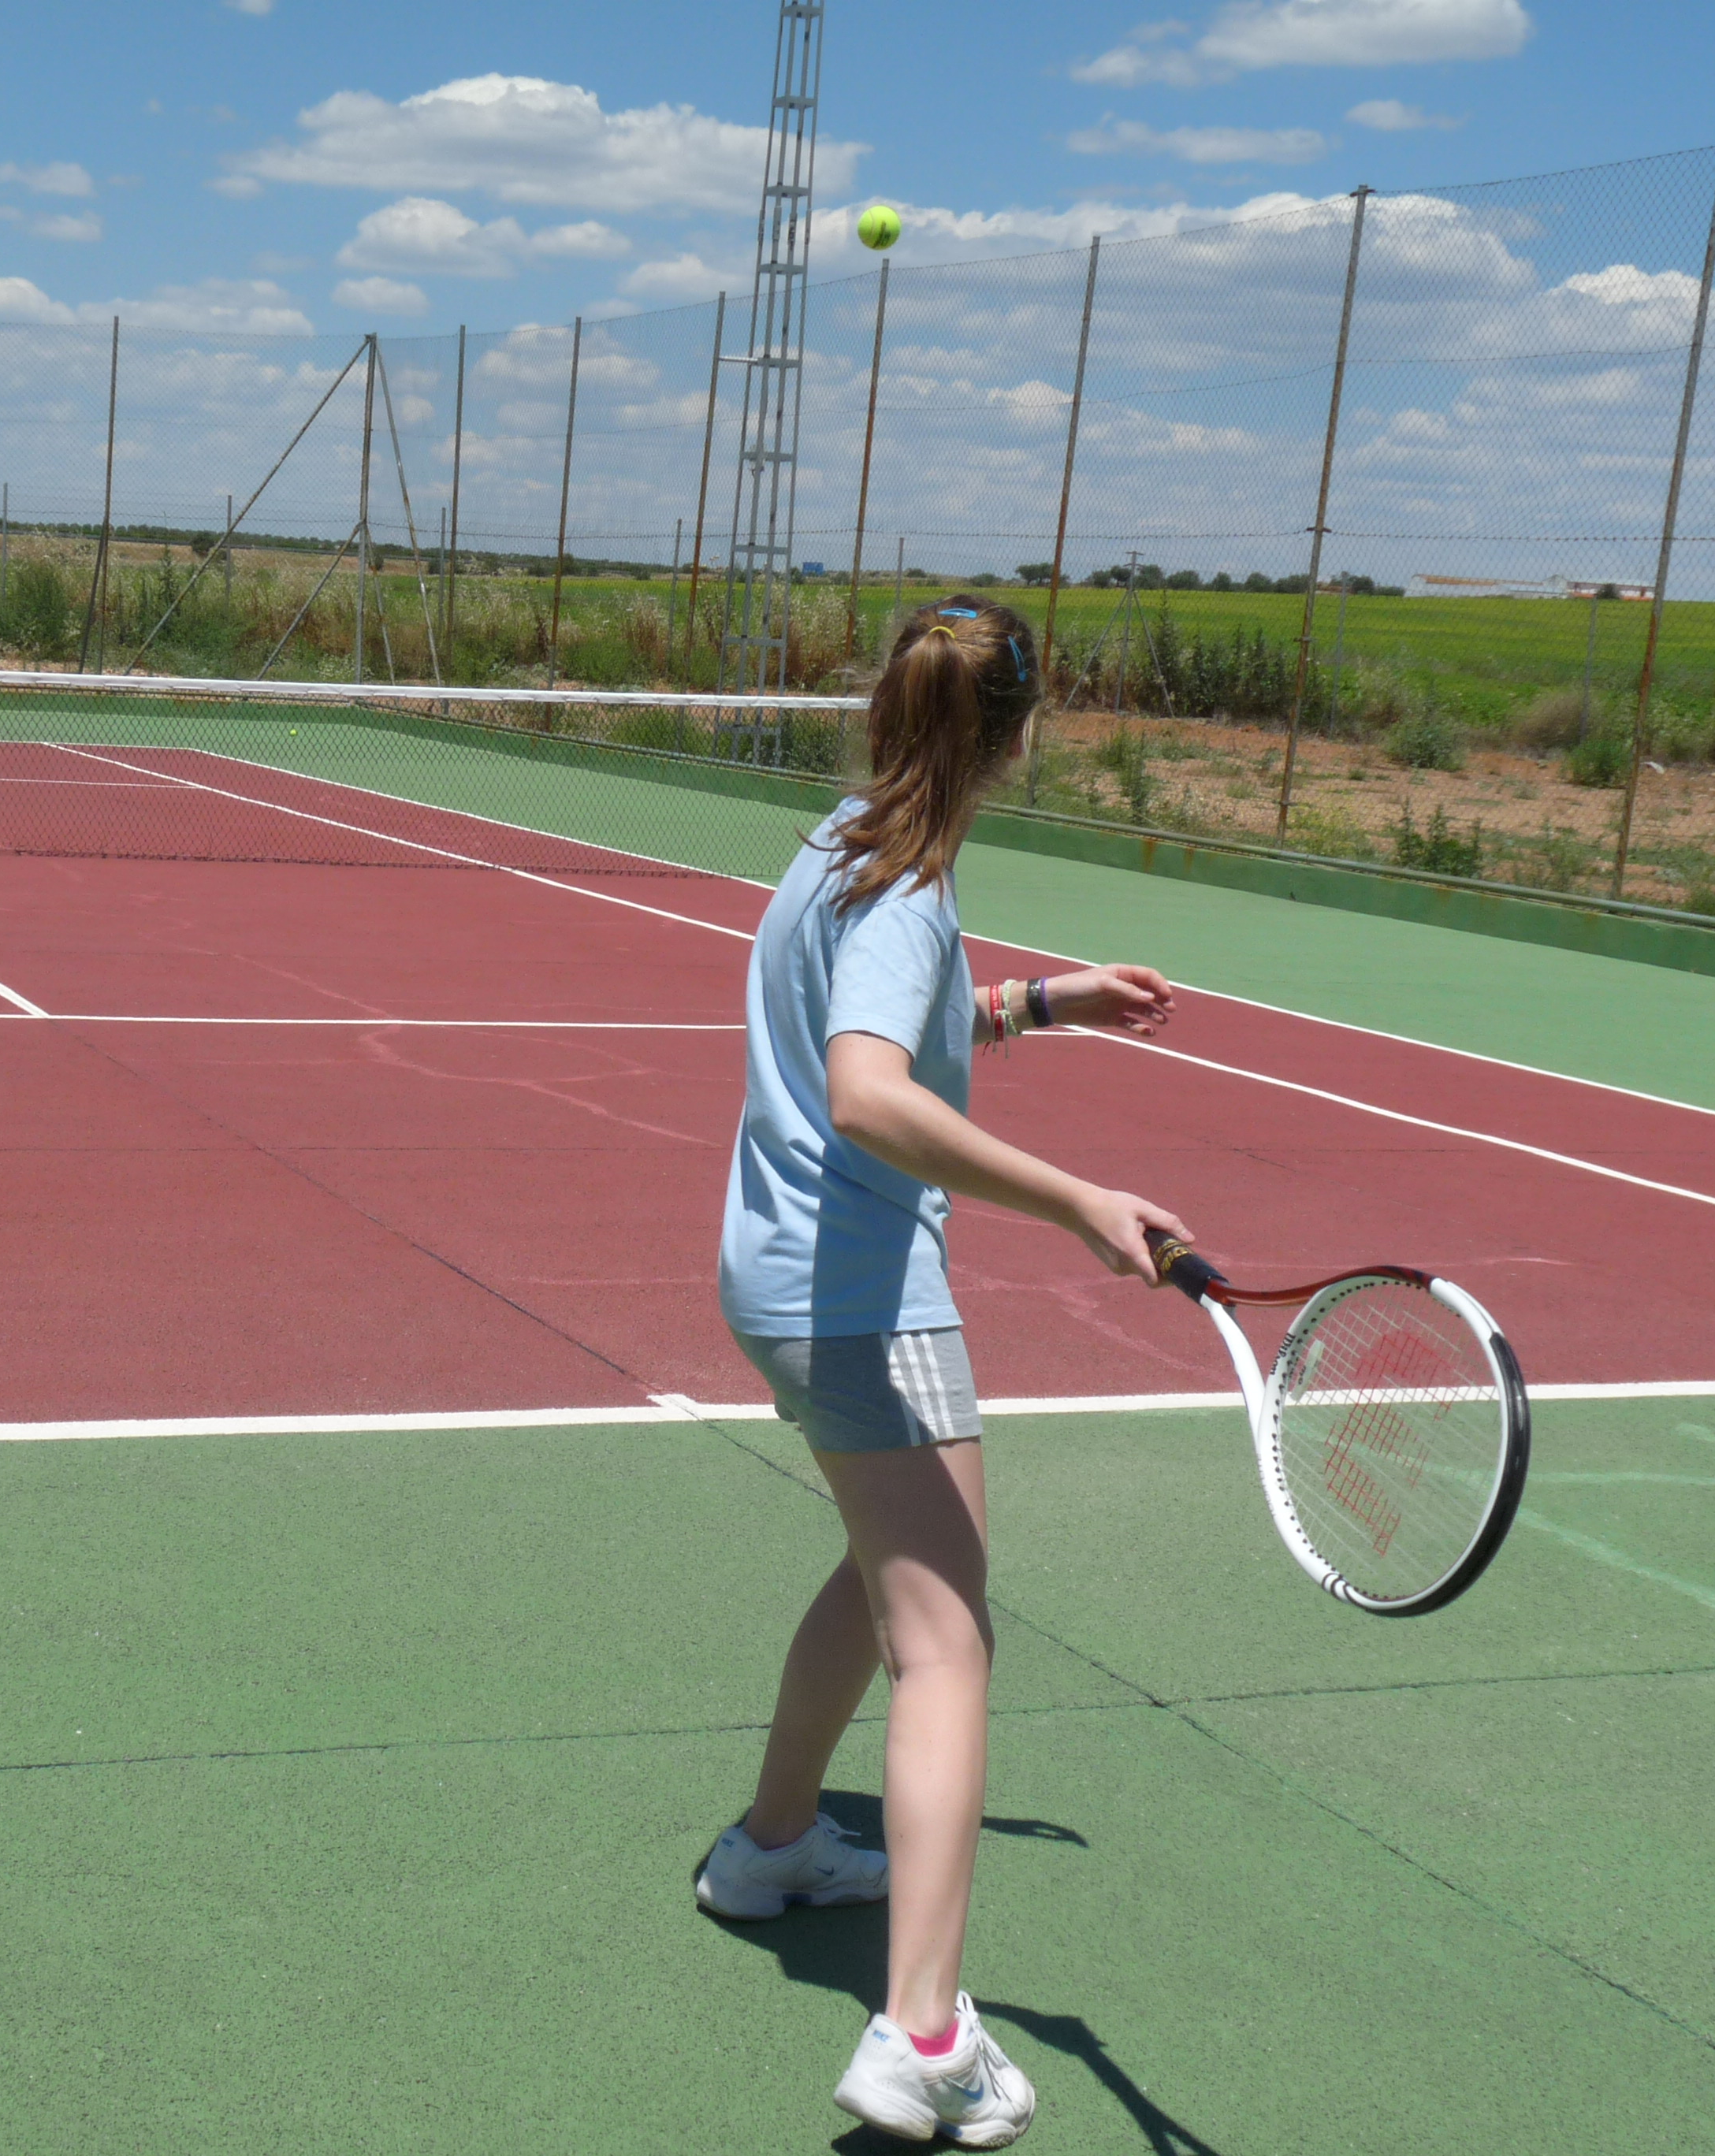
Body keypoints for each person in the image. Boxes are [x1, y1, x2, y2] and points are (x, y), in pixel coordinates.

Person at [693, 597, 1189, 2147]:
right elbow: (866, 1091)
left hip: (778, 1284)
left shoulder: (843, 845)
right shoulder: (907, 885)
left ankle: (775, 1844)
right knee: (949, 1642)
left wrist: (1040, 1002)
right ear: (1016, 736)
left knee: (888, 1572)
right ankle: (922, 2034)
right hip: (859, 1303)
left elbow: (893, 1025)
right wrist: (1078, 1198)